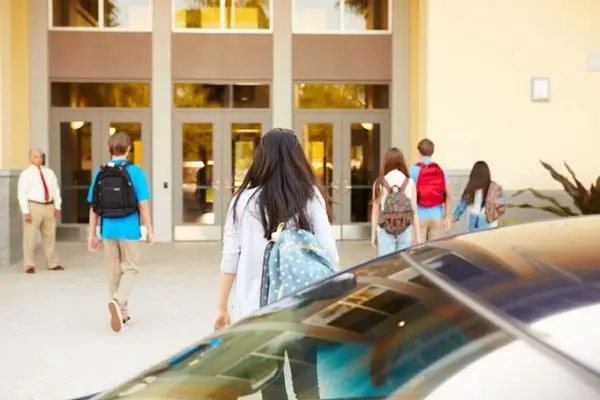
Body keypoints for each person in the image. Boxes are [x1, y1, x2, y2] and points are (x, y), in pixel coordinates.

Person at [214, 127, 338, 399]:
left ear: (262, 157)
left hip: (257, 310)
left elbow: (230, 257)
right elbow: (329, 253)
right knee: (308, 384)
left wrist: (222, 307)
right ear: (297, 158)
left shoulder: (242, 200)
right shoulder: (310, 196)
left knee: (271, 387)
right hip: (302, 305)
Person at [86, 132, 153, 333]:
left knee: (113, 270)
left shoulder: (101, 173)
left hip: (108, 229)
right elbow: (142, 204)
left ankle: (121, 312)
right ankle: (117, 300)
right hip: (129, 229)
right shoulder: (135, 171)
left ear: (110, 149)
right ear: (129, 149)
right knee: (131, 268)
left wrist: (92, 234)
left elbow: (93, 206)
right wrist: (149, 229)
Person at [17, 148, 63, 274]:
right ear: (30, 158)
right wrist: (25, 211)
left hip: (49, 206)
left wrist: (57, 206)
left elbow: (55, 190)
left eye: (40, 156)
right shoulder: (26, 174)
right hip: (34, 206)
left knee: (50, 236)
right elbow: (22, 193)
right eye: (35, 156)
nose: (39, 159)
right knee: (30, 237)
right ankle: (29, 265)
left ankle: (52, 263)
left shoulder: (49, 173)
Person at [371, 148, 422, 256]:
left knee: (386, 265)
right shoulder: (410, 182)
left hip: (385, 229)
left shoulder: (379, 182)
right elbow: (414, 210)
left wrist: (373, 235)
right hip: (405, 227)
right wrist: (417, 235)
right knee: (403, 265)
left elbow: (375, 212)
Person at [409, 139, 452, 241]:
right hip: (437, 215)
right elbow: (448, 194)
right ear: (432, 152)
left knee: (419, 252)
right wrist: (447, 217)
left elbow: (408, 195)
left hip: (419, 216)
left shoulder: (413, 170)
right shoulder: (440, 170)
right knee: (433, 250)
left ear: (418, 152)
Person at [453, 161, 506, 232]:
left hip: (474, 225)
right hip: (490, 225)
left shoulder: (471, 188)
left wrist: (453, 218)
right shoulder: (494, 188)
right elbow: (502, 206)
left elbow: (461, 206)